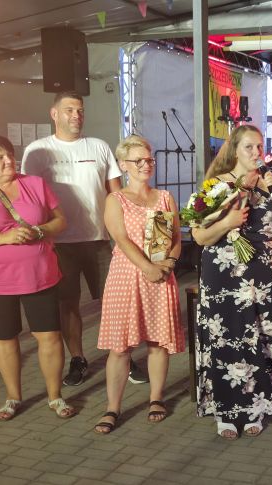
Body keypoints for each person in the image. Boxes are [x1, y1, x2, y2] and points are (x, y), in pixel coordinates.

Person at [0, 134, 76, 421]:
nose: (9, 161)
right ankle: (13, 397)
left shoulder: (35, 184)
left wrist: (40, 231)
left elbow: (60, 221)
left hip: (39, 275)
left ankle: (55, 396)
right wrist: (4, 238)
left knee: (49, 336)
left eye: (10, 154)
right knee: (5, 337)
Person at [193, 125, 272, 440]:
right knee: (225, 338)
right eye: (249, 147)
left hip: (262, 276)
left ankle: (256, 408)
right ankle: (225, 413)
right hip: (223, 274)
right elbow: (199, 235)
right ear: (235, 151)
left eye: (260, 147)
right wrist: (227, 222)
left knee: (260, 338)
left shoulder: (269, 183)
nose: (256, 153)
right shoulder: (216, 185)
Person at [21, 91, 132, 387]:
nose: (76, 115)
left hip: (99, 240)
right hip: (59, 244)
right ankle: (78, 358)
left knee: (115, 302)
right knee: (68, 304)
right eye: (69, 109)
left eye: (80, 110)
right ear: (54, 114)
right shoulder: (37, 150)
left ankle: (122, 356)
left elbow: (116, 194)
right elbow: (29, 197)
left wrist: (123, 233)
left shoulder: (98, 146)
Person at [93, 135, 184, 434]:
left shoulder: (164, 197)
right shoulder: (115, 199)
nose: (146, 164)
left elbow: (176, 237)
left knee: (158, 343)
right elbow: (120, 239)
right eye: (138, 160)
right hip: (127, 277)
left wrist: (168, 264)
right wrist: (147, 267)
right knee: (120, 347)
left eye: (149, 159)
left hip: (160, 276)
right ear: (123, 165)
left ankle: (156, 398)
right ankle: (113, 407)